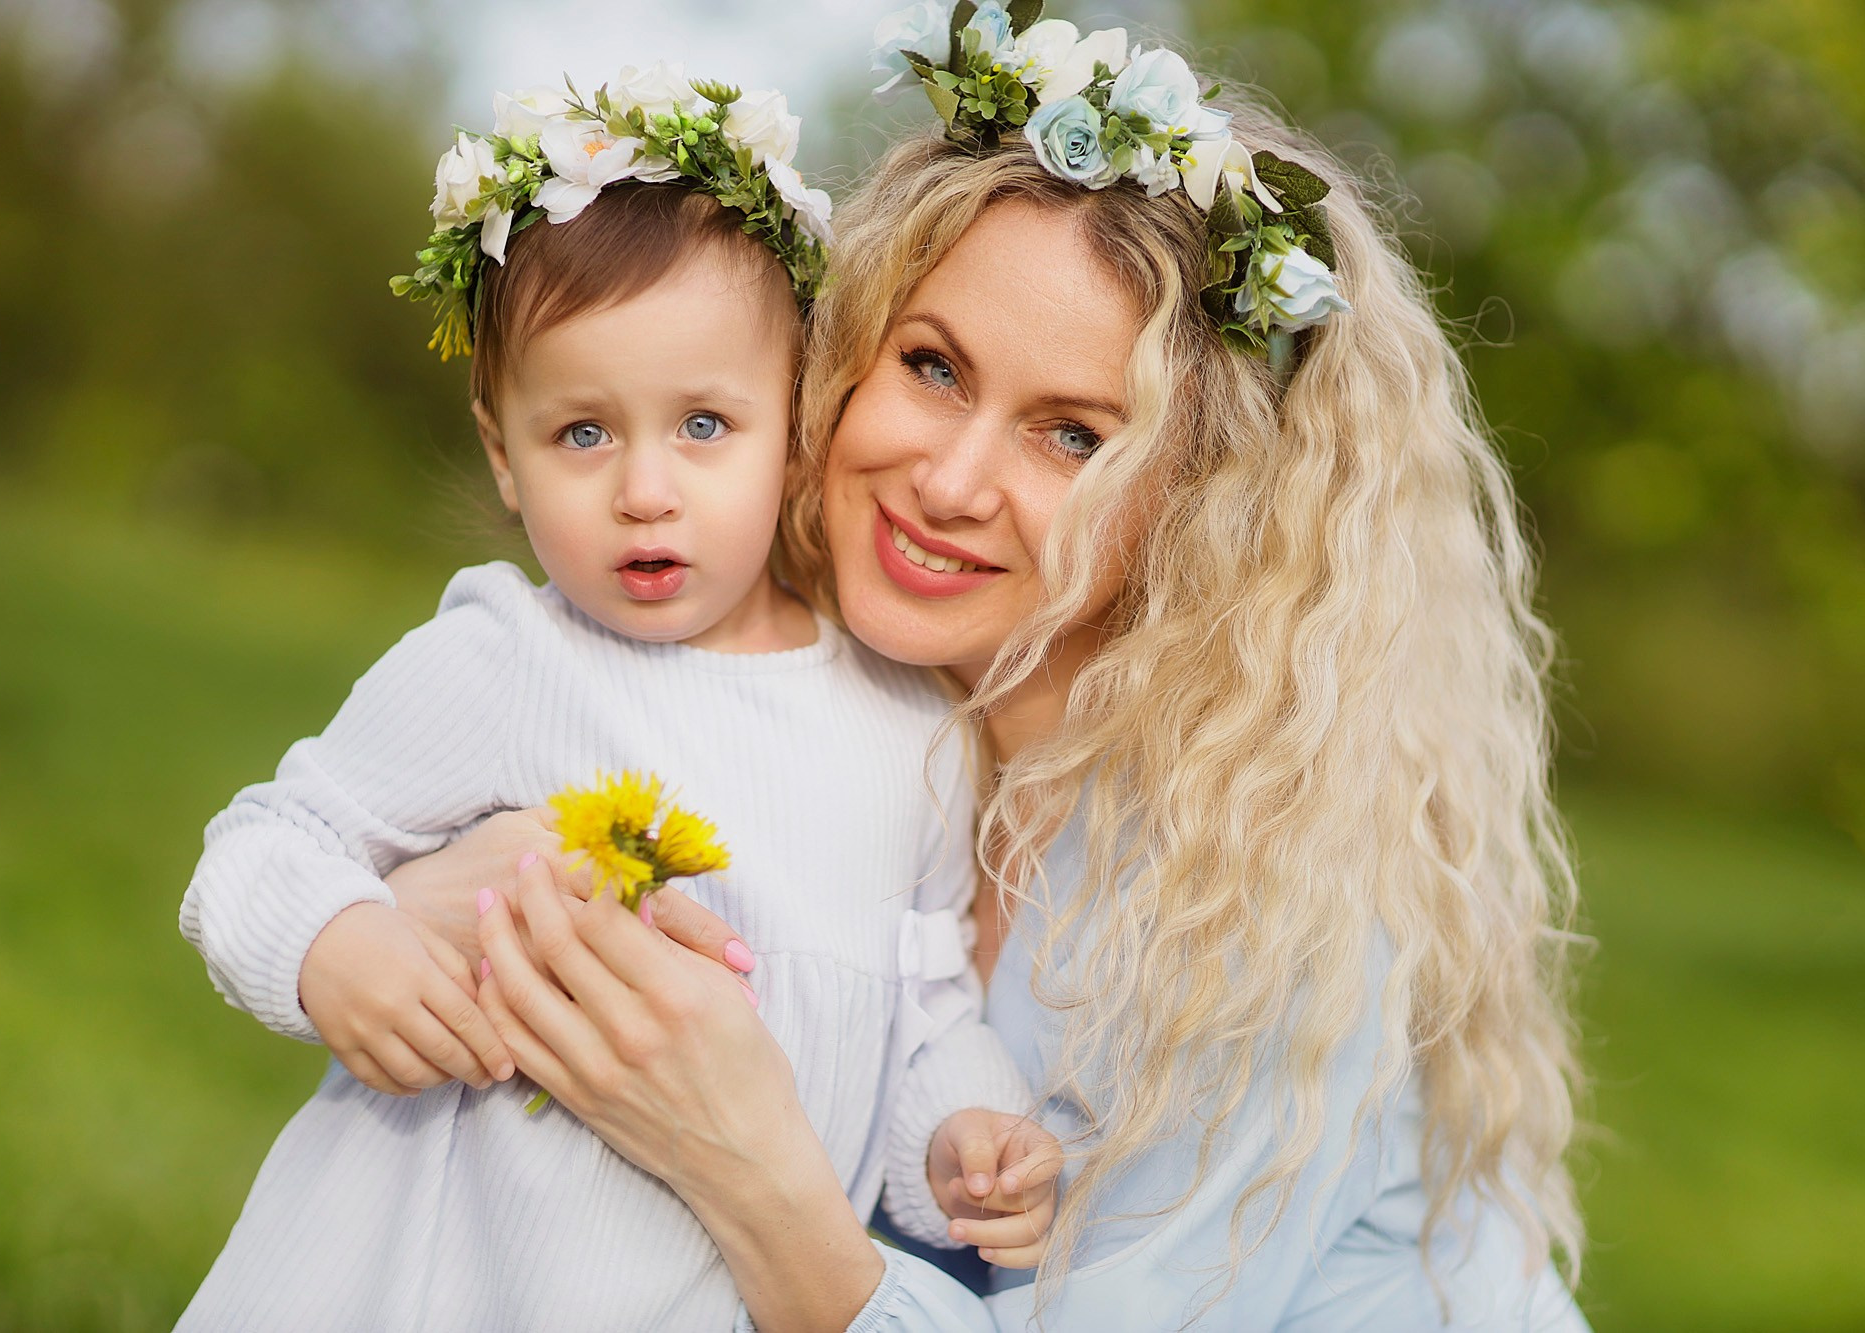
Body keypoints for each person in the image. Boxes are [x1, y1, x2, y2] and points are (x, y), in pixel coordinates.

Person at [392, 9, 1591, 1330]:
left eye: (1072, 436)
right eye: (932, 366)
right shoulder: (835, 717)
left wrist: (745, 1167)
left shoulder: (1263, 901)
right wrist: (464, 887)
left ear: (1202, 502)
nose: (952, 481)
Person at [175, 64, 1060, 1332]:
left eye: (702, 426)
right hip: (435, 1282)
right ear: (504, 452)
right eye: (582, 433)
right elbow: (267, 844)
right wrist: (332, 946)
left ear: (794, 425)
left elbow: (921, 1017)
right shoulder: (507, 656)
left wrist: (962, 1136)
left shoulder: (905, 724)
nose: (645, 491)